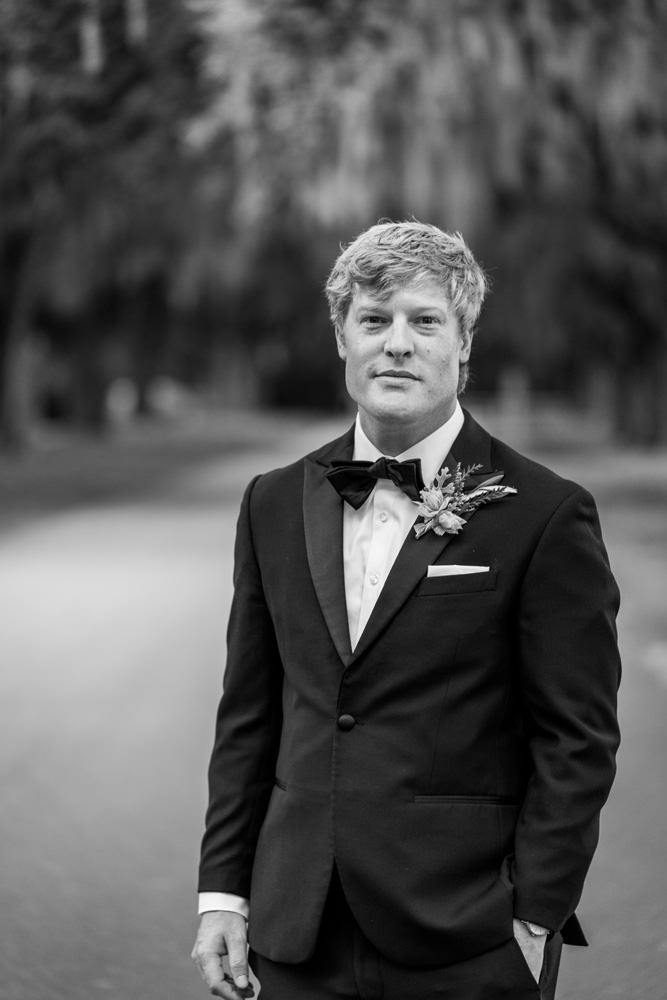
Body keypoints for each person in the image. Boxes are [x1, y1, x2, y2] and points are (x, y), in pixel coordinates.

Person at [192, 222, 621, 1000]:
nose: (397, 344)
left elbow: (577, 738)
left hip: (465, 935)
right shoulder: (271, 503)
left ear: (463, 345)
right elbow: (248, 717)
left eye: (424, 321)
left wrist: (534, 917)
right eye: (374, 320)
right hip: (295, 929)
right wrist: (223, 896)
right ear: (341, 337)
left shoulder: (546, 513)